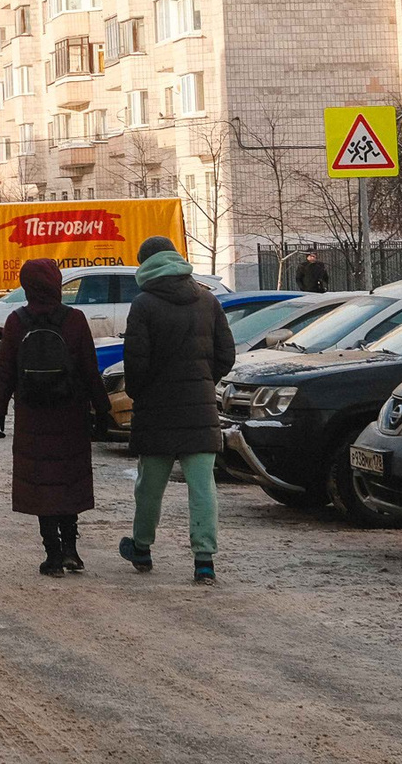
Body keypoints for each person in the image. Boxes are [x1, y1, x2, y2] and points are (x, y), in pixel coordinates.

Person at [119, 235, 236, 584]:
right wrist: (202, 381)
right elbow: (226, 356)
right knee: (203, 488)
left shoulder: (143, 304)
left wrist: (142, 395)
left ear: (146, 265)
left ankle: (141, 547)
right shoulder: (207, 300)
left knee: (149, 486)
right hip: (200, 411)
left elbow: (135, 364)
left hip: (157, 411)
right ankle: (204, 561)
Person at [0, 258, 116, 577]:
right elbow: (90, 369)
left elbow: (5, 371)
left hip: (33, 416)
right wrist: (102, 410)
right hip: (70, 415)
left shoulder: (16, 321)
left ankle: (53, 554)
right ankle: (72, 549)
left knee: (41, 483)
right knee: (68, 479)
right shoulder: (74, 319)